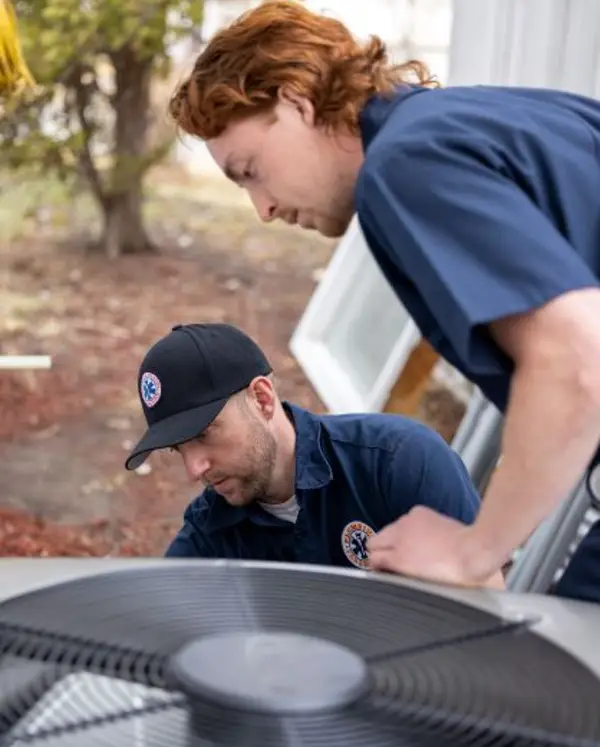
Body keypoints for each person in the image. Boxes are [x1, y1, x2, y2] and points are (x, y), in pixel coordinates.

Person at [166, 1, 600, 600]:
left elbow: (576, 362)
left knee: (558, 683)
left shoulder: (404, 165)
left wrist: (475, 548)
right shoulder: (473, 119)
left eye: (251, 170)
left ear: (295, 100)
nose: (262, 209)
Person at [124, 322, 495, 579]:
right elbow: (156, 626)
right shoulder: (211, 531)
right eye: (178, 449)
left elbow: (487, 602)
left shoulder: (398, 460)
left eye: (204, 434)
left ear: (262, 398)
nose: (194, 469)